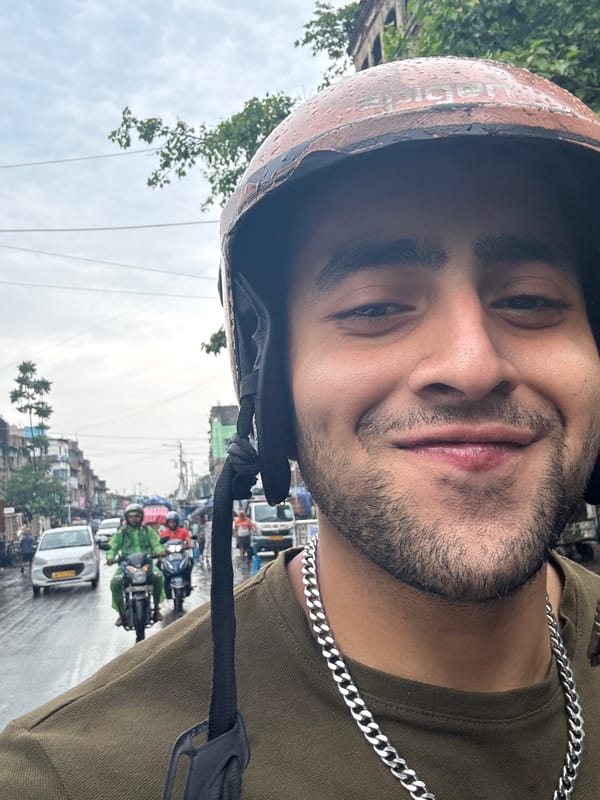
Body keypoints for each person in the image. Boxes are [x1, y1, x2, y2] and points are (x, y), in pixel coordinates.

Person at [2, 57, 600, 800]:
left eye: (533, 300)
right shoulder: (73, 777)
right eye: (376, 307)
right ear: (272, 385)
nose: (471, 365)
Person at [106, 502, 166, 626]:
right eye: (131, 516)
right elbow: (113, 547)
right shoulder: (121, 533)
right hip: (126, 566)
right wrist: (110, 557)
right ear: (127, 518)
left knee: (158, 576)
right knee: (115, 583)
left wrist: (160, 551)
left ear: (141, 517)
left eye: (136, 516)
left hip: (146, 564)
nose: (134, 519)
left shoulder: (147, 531)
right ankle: (122, 613)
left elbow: (156, 543)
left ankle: (156, 608)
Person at [161, 510, 194, 594]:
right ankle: (165, 587)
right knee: (159, 565)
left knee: (190, 562)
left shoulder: (183, 531)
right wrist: (163, 550)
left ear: (177, 522)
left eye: (174, 522)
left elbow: (189, 542)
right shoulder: (164, 533)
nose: (172, 524)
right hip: (168, 555)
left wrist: (187, 545)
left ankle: (188, 583)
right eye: (170, 522)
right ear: (167, 523)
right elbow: (159, 544)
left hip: (181, 554)